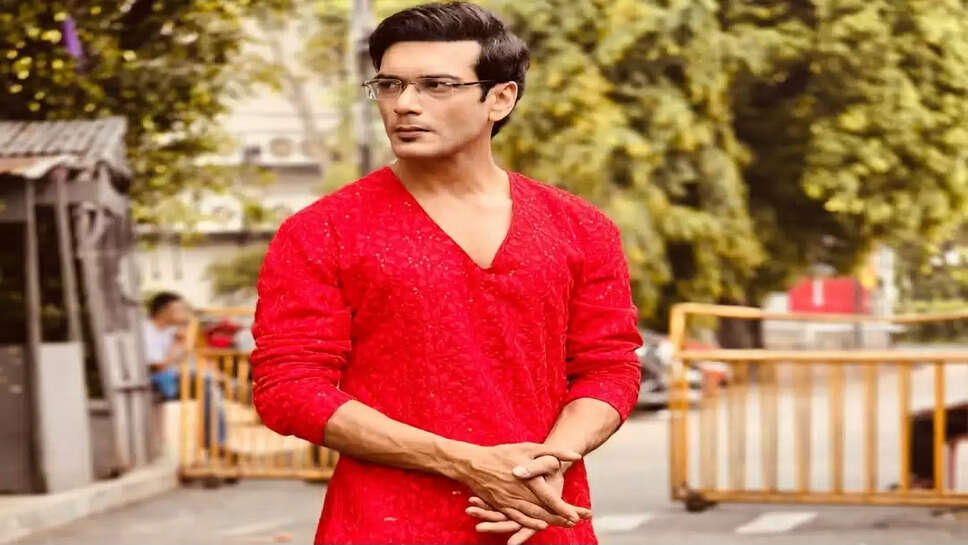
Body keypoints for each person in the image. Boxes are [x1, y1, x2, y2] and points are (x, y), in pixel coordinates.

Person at [250, 3, 642, 544]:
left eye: (436, 85)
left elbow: (609, 368)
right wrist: (466, 462)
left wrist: (550, 460)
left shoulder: (580, 227)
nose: (404, 104)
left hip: (538, 518)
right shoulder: (322, 231)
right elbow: (290, 388)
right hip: (386, 528)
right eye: (390, 85)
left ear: (500, 98)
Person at [143, 291, 225, 447]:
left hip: (169, 376)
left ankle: (216, 441)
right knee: (207, 381)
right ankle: (215, 442)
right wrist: (177, 345)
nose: (183, 313)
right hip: (153, 378)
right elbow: (158, 366)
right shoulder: (146, 330)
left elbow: (191, 358)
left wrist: (213, 371)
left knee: (210, 382)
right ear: (164, 311)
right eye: (179, 309)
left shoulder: (170, 330)